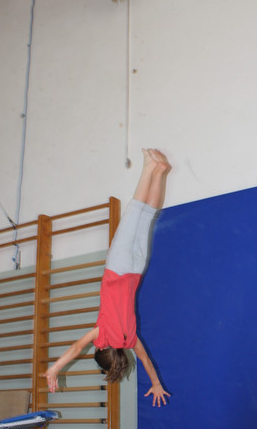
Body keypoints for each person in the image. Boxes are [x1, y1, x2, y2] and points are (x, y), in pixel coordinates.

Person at [45, 148, 171, 407]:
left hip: (135, 270)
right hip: (119, 268)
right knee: (134, 212)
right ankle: (149, 167)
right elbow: (76, 348)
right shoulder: (102, 335)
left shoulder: (131, 340)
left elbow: (145, 360)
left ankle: (159, 172)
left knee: (146, 216)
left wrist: (156, 383)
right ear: (100, 348)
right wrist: (54, 368)